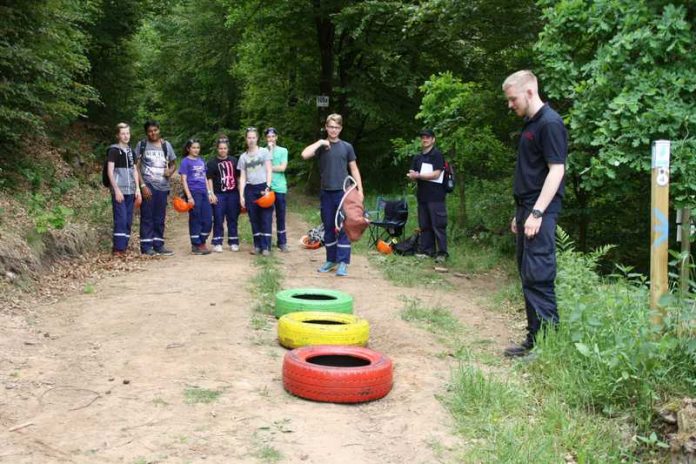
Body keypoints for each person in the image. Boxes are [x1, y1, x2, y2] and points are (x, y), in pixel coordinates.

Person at [501, 70, 567, 358]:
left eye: (512, 98)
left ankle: (548, 347)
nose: (510, 104)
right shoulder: (531, 124)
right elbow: (532, 173)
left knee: (539, 276)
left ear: (529, 92)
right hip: (527, 208)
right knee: (528, 275)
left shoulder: (550, 124)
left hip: (540, 211)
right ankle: (534, 340)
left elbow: (557, 170)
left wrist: (538, 212)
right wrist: (522, 213)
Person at [301, 113, 364, 277]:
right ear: (326, 128)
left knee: (343, 227)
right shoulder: (321, 146)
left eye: (336, 127)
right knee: (329, 227)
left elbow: (354, 169)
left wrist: (360, 190)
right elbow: (304, 154)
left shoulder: (347, 147)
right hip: (326, 193)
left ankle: (343, 262)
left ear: (341, 128)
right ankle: (331, 259)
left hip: (344, 193)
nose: (333, 130)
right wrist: (321, 142)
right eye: (331, 127)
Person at [136, 120, 177, 256]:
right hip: (148, 185)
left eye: (155, 130)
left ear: (159, 130)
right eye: (150, 131)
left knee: (160, 217)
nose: (153, 133)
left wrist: (170, 172)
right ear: (147, 133)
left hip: (163, 187)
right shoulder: (142, 145)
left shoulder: (166, 145)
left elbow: (173, 164)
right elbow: (135, 167)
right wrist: (142, 185)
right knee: (147, 216)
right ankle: (146, 246)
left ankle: (159, 245)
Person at [407, 129, 448, 263]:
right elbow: (414, 174)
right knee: (424, 224)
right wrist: (412, 176)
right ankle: (427, 251)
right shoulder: (418, 157)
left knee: (438, 224)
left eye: (428, 137)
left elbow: (436, 174)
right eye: (423, 137)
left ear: (433, 139)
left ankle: (442, 253)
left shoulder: (437, 155)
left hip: (436, 196)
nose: (425, 139)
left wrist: (419, 175)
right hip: (422, 195)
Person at [106, 123, 142, 256]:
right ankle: (118, 249)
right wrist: (116, 190)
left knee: (128, 219)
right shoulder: (113, 151)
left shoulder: (131, 152)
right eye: (123, 133)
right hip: (119, 191)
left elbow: (134, 170)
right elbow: (110, 171)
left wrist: (137, 188)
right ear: (118, 135)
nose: (126, 136)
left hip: (131, 190)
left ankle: (124, 247)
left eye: (128, 133)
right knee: (120, 219)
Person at [238, 127, 273, 256]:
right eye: (249, 138)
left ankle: (266, 246)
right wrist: (241, 195)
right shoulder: (243, 157)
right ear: (246, 139)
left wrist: (268, 186)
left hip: (263, 187)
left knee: (266, 217)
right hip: (250, 189)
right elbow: (242, 177)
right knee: (254, 218)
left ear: (257, 138)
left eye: (253, 137)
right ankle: (257, 245)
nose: (251, 140)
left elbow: (269, 170)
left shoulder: (264, 152)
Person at [207, 136, 241, 253]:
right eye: (220, 148)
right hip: (219, 194)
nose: (223, 150)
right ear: (217, 149)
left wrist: (241, 194)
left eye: (225, 148)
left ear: (228, 149)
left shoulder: (234, 161)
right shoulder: (212, 163)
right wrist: (211, 194)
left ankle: (234, 242)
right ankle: (217, 242)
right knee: (218, 218)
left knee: (232, 218)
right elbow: (209, 179)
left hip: (233, 194)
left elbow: (239, 178)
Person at [179, 139, 212, 255]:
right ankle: (196, 245)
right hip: (194, 193)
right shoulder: (185, 162)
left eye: (198, 147)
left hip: (204, 193)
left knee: (208, 219)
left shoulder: (201, 160)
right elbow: (183, 180)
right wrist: (189, 197)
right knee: (195, 219)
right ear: (188, 149)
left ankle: (202, 241)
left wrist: (209, 193)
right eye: (193, 147)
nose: (196, 150)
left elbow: (204, 178)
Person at [266, 127, 289, 252]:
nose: (271, 139)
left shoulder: (283, 150)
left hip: (280, 187)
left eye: (273, 137)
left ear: (276, 137)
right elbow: (260, 168)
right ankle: (267, 242)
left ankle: (282, 242)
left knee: (281, 215)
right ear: (266, 138)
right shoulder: (263, 151)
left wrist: (269, 167)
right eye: (269, 137)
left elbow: (282, 168)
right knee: (267, 216)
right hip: (267, 187)